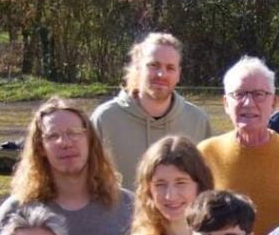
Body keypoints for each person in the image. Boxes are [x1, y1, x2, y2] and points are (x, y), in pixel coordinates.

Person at [0, 97, 133, 235]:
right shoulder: (16, 211)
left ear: (89, 140)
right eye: (53, 136)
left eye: (74, 133)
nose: (65, 143)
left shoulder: (128, 206)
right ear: (40, 148)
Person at [199, 56, 279, 235]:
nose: (249, 103)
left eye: (259, 94)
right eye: (239, 94)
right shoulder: (205, 154)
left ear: (274, 102)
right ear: (226, 103)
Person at [91, 32, 214, 185]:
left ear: (179, 74)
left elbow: (207, 184)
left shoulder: (198, 121)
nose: (161, 74)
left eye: (170, 68)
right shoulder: (105, 119)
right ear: (138, 68)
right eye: (154, 65)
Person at [117, 135, 214, 235]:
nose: (170, 195)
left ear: (200, 185)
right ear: (148, 190)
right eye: (160, 184)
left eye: (180, 182)